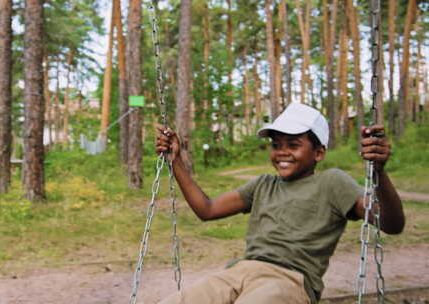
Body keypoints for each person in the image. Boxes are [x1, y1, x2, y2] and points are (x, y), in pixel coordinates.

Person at [155, 103, 405, 304]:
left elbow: (391, 223)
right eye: (276, 145)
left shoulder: (333, 183)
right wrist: (175, 161)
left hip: (289, 281)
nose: (282, 152)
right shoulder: (263, 185)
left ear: (318, 153)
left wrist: (378, 172)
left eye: (294, 145)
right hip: (239, 272)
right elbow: (207, 209)